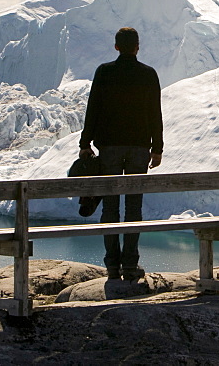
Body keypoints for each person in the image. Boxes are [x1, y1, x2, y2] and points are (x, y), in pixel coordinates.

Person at [79, 27, 164, 282]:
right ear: (137, 46)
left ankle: (112, 266)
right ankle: (130, 264)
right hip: (139, 147)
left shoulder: (105, 72)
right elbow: (155, 113)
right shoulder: (148, 74)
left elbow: (92, 108)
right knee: (134, 207)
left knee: (110, 207)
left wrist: (85, 143)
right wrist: (157, 148)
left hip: (109, 148)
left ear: (116, 47)